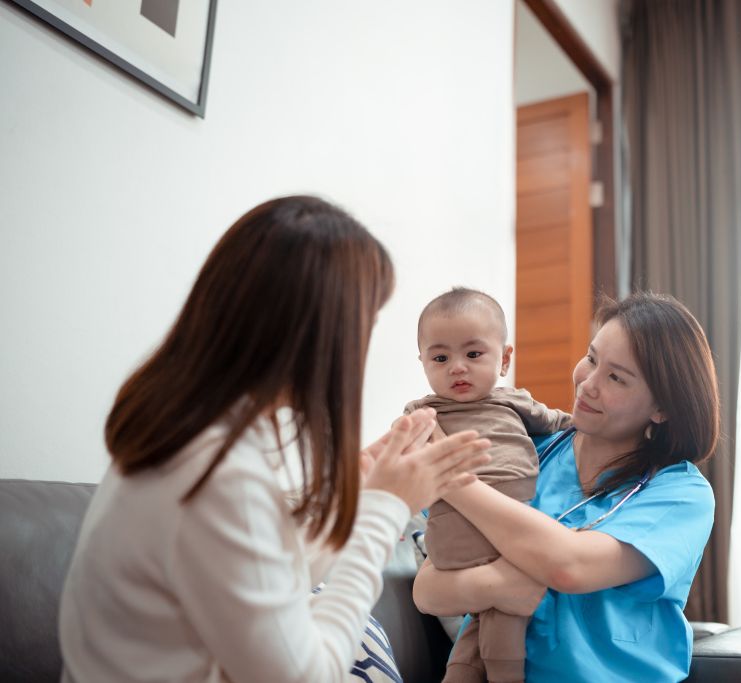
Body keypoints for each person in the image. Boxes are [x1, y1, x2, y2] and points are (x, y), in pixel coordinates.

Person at [58, 195, 492, 683]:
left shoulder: (188, 434)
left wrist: (355, 507)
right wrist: (382, 513)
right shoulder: (215, 472)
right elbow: (308, 674)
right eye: (364, 323)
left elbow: (256, 590)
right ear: (321, 332)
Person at [414, 292, 720, 682]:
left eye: (616, 378)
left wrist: (451, 477)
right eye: (592, 359)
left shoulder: (679, 494)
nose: (587, 384)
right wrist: (500, 585)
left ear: (662, 409)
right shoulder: (521, 452)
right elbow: (428, 590)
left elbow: (571, 566)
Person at [405, 287, 572, 683]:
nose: (457, 367)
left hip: (511, 525)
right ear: (424, 363)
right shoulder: (424, 414)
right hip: (459, 530)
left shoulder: (514, 402)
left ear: (505, 359)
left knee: (484, 620)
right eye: (440, 357)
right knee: (505, 615)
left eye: (473, 354)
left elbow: (565, 425)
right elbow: (401, 459)